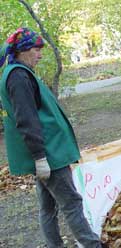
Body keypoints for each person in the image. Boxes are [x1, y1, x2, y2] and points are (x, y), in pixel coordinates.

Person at [0, 27, 106, 247]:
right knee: (72, 203)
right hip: (49, 155)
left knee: (48, 207)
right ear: (22, 50)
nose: (39, 55)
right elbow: (26, 120)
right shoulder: (18, 76)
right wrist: (40, 158)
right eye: (36, 50)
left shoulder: (18, 71)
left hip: (48, 154)